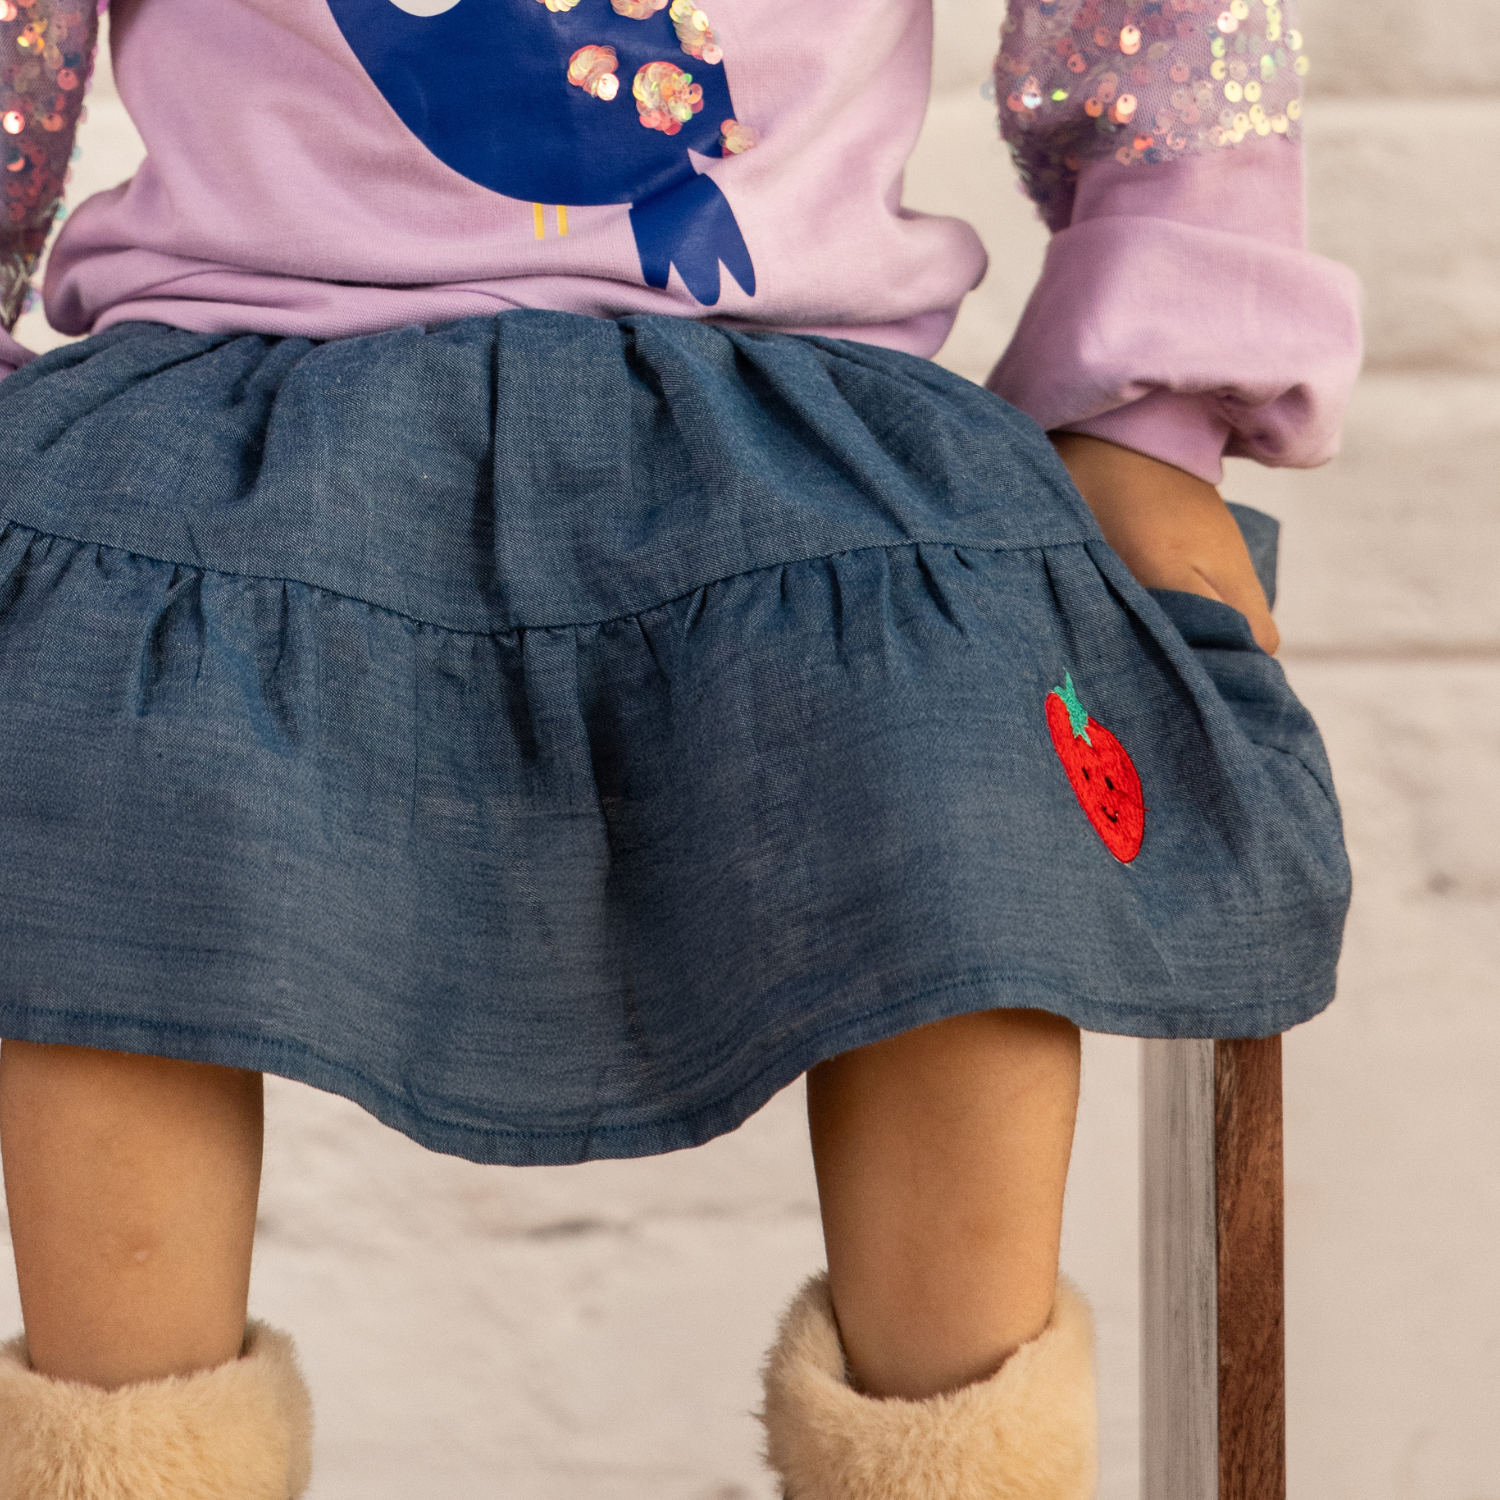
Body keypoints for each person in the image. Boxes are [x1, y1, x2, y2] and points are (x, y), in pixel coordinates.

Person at [0, 0, 1358, 1494]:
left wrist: (1152, 411)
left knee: (958, 814)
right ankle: (125, 1457)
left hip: (796, 396)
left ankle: (961, 1464)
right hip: (231, 383)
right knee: (91, 798)